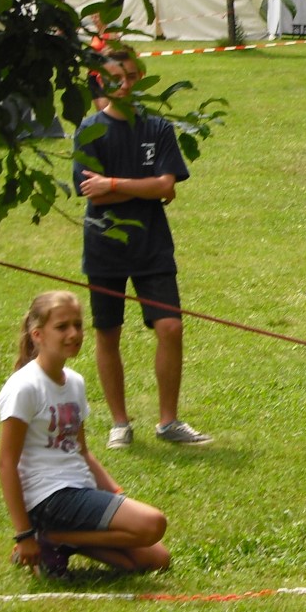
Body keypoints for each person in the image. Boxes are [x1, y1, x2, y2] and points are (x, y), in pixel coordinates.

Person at [74, 49, 210, 448]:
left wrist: (114, 184)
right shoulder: (89, 130)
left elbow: (166, 186)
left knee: (171, 327)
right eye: (117, 78)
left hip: (152, 246)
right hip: (104, 245)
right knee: (107, 332)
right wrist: (144, 189)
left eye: (132, 76)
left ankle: (168, 421)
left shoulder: (157, 127)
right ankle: (120, 423)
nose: (126, 85)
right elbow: (91, 194)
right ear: (101, 81)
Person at [0, 291, 171, 578]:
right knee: (152, 524)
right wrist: (23, 533)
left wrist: (117, 494)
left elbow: (81, 451)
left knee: (157, 559)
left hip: (79, 490)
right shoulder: (24, 387)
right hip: (49, 497)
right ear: (37, 334)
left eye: (78, 325)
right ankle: (49, 538)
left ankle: (58, 542)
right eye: (62, 327)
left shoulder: (75, 382)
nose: (74, 333)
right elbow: (6, 463)